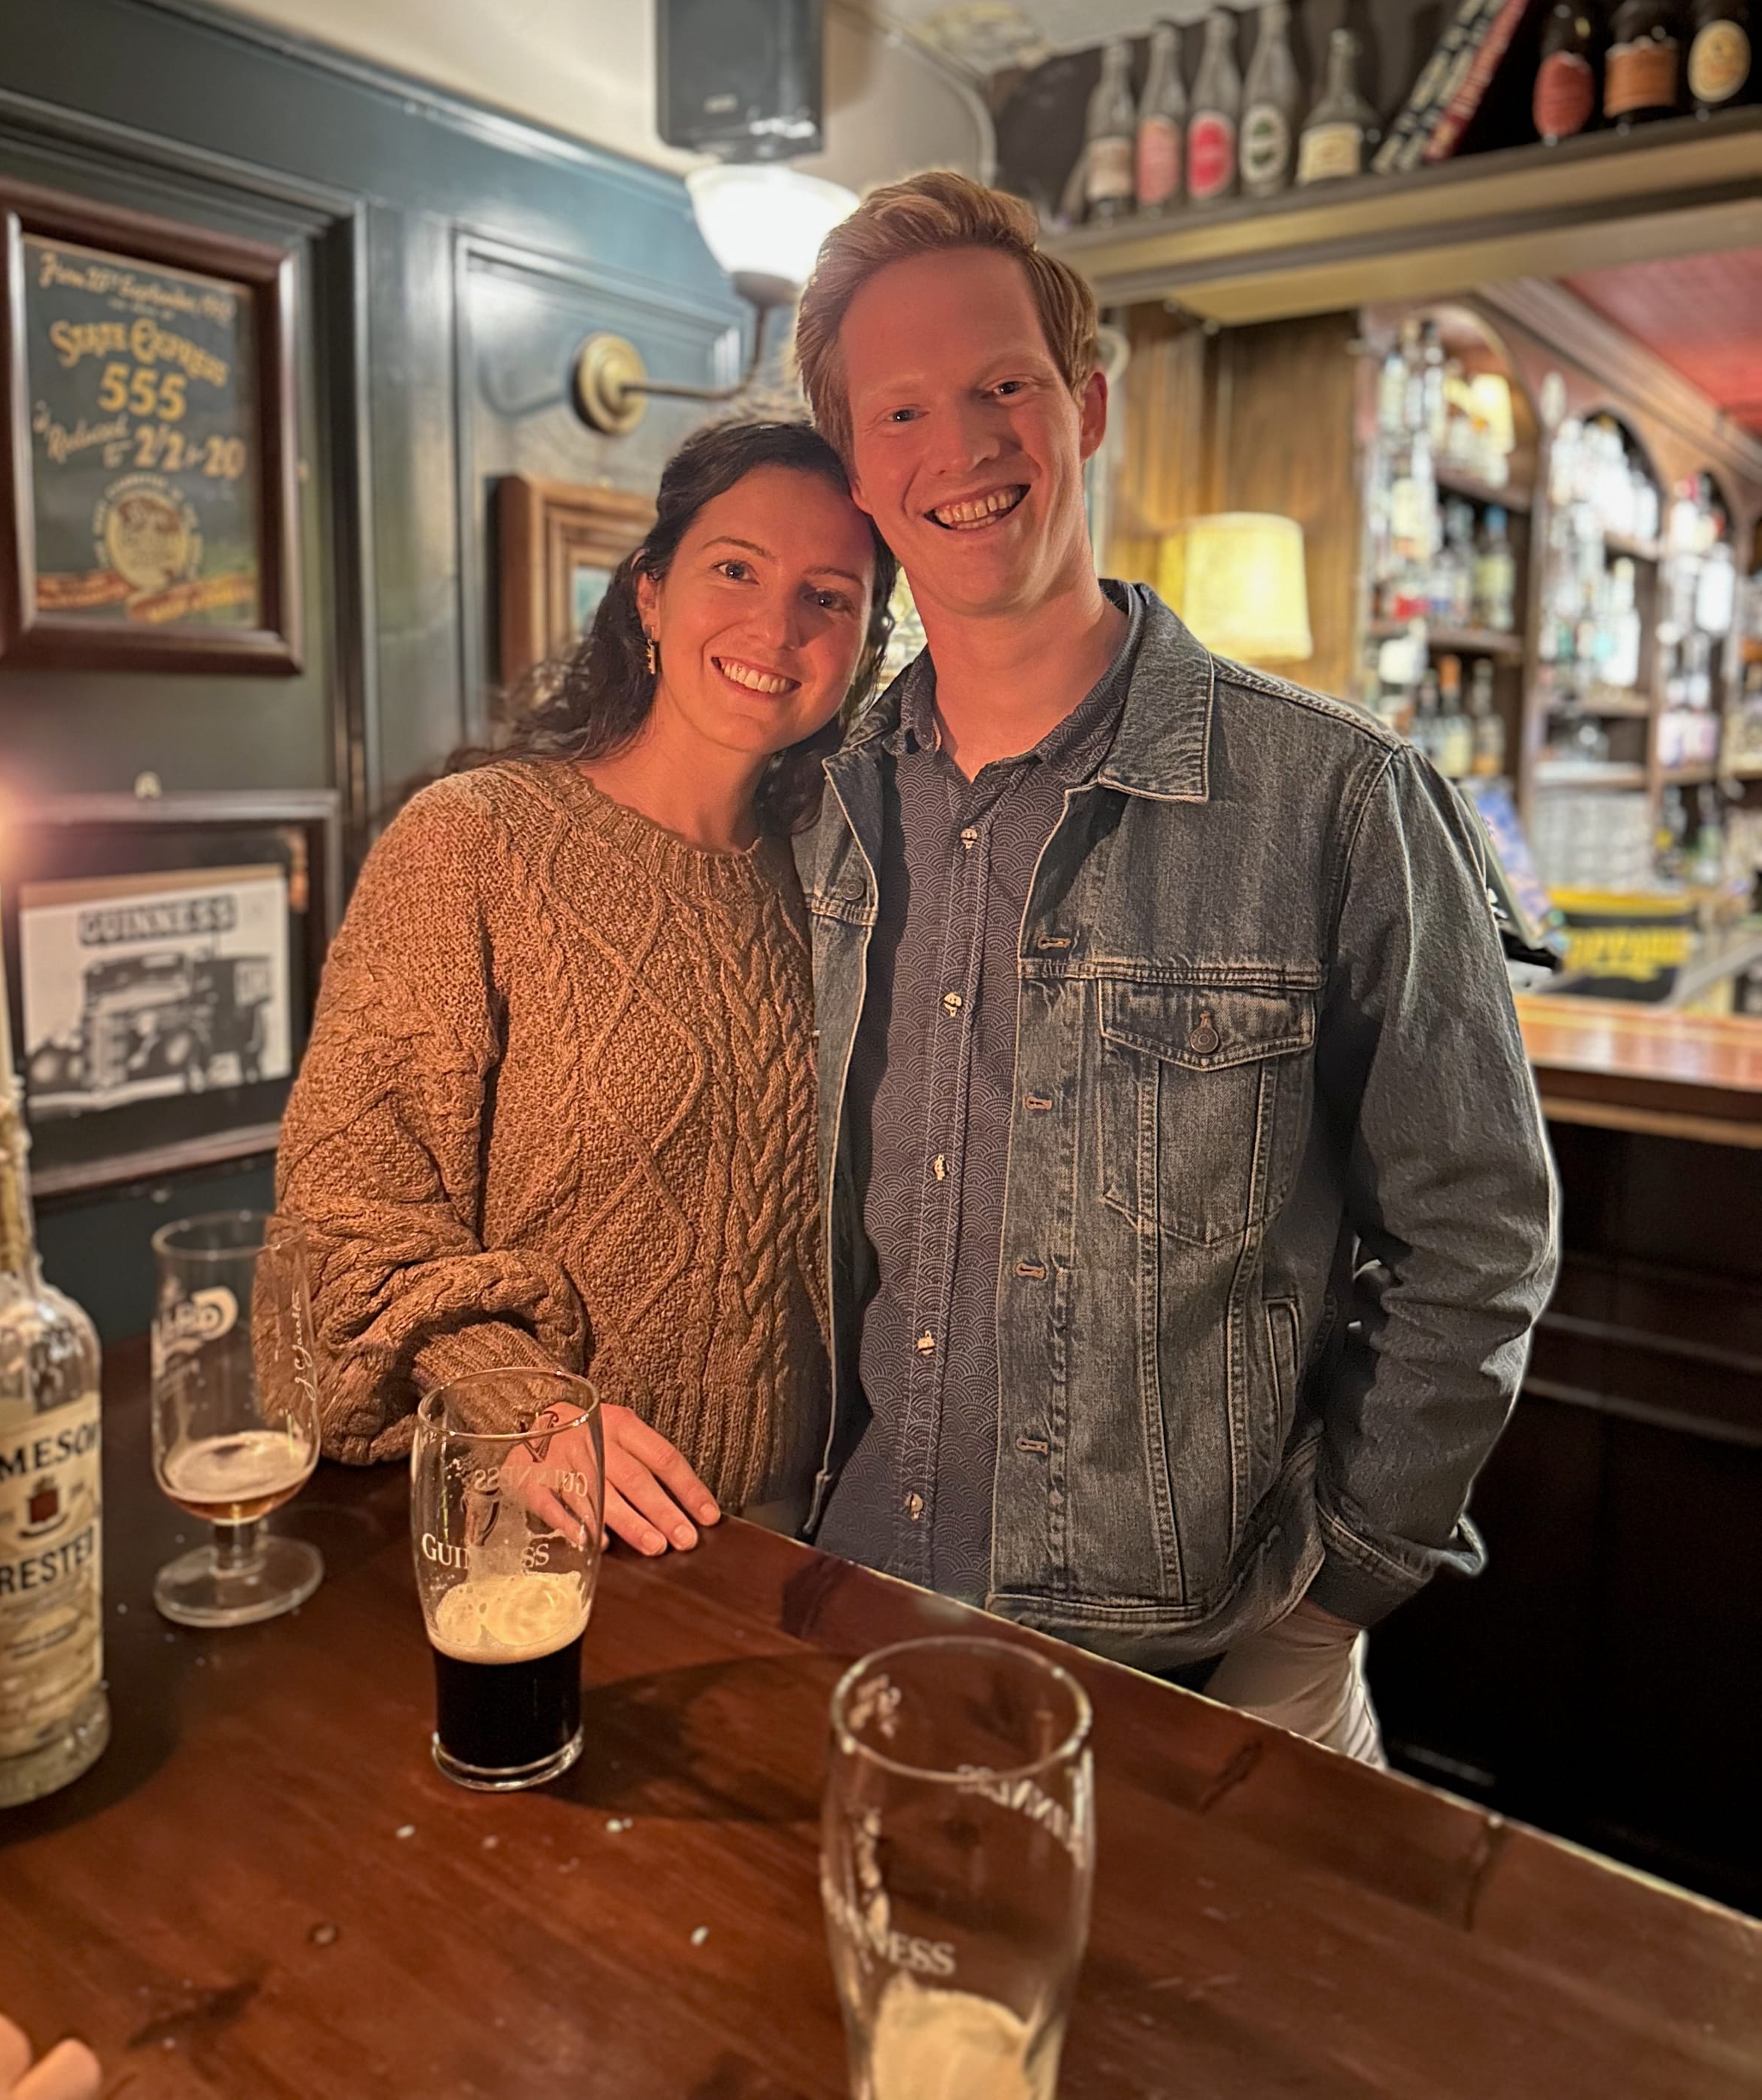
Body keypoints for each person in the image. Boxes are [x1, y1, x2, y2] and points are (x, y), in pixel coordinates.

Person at [790, 173, 1557, 1760]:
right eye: (904, 410)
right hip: (855, 1620)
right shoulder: (822, 804)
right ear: (860, 469)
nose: (964, 445)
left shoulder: (1340, 796)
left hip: (1207, 1673)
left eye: (1004, 384)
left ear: (1084, 406)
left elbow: (1477, 1230)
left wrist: (1344, 1591)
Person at [275, 420, 895, 1555]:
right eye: (736, 570)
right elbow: (347, 1218)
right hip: (536, 1516)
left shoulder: (845, 888)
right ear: (648, 595)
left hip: (798, 1535)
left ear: (865, 644)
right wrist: (532, 1406)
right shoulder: (474, 845)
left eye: (830, 597)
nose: (775, 626)